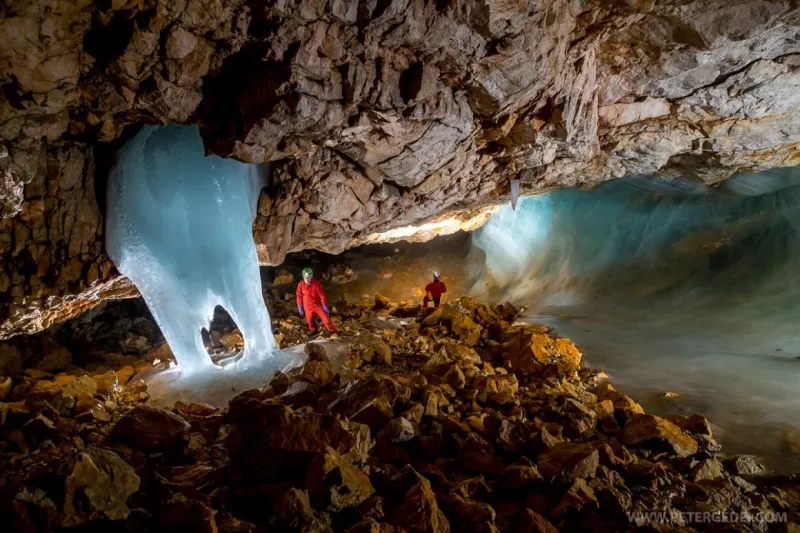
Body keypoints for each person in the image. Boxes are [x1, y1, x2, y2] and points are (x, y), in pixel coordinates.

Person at [296, 267, 338, 338]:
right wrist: (300, 306)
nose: (307, 279)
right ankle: (314, 330)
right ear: (303, 277)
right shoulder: (301, 285)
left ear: (311, 277)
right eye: (305, 277)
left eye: (309, 277)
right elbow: (299, 295)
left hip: (316, 305)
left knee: (326, 319)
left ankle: (333, 331)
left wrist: (324, 305)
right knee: (310, 321)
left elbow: (322, 296)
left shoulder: (316, 284)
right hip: (307, 306)